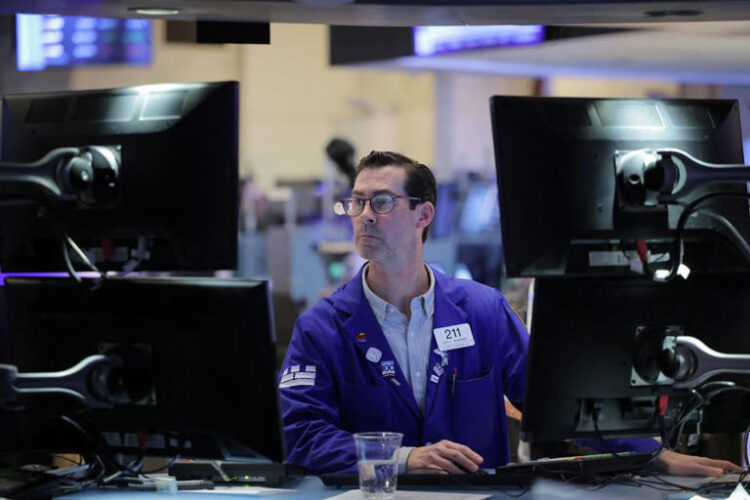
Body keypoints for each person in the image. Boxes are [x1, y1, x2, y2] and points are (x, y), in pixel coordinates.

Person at [278, 150, 743, 477]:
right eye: (356, 202)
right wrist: (402, 458)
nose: (364, 216)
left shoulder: (484, 311)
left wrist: (654, 456)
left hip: (479, 497)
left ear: (424, 215)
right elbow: (302, 435)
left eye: (381, 202)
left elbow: (555, 404)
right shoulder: (322, 327)